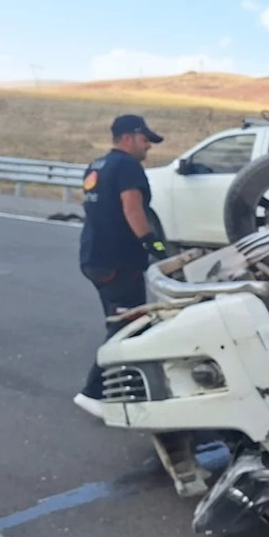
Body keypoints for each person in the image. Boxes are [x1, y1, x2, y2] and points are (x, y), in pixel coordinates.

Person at [73, 114, 169, 419]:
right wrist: (152, 245)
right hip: (118, 261)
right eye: (145, 141)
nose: (148, 148)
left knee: (123, 322)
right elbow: (132, 208)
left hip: (94, 257)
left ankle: (128, 388)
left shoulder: (97, 166)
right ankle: (92, 393)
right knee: (126, 327)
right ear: (127, 138)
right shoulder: (128, 166)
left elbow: (91, 206)